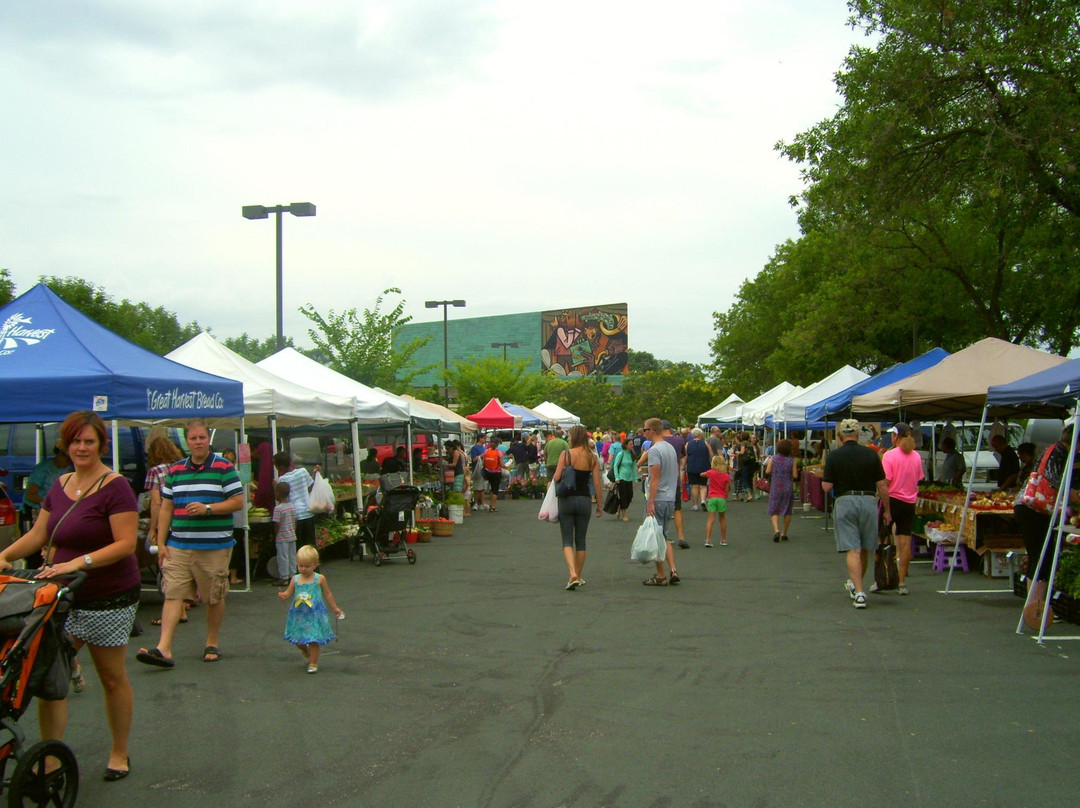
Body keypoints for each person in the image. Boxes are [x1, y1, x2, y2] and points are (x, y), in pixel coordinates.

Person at [0, 410, 139, 781]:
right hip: (59, 595)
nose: (81, 447)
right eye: (75, 440)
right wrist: (6, 555)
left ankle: (119, 752)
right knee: (50, 674)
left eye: (89, 441)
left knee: (111, 677)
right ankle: (50, 757)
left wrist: (75, 563)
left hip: (108, 594)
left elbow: (126, 543)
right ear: (66, 443)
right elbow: (39, 535)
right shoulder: (60, 484)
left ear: (100, 445)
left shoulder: (115, 486)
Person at [137, 418, 244, 667]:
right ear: (186, 441)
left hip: (213, 546)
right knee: (173, 593)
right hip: (179, 545)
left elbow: (237, 502)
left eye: (202, 438)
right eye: (193, 438)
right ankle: (164, 649)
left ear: (209, 439)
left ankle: (212, 642)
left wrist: (208, 508)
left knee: (213, 597)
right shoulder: (175, 470)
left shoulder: (224, 467)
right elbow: (165, 508)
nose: (198, 442)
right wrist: (161, 542)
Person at [821, 418, 890, 610]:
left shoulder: (834, 456)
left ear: (842, 436)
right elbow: (882, 484)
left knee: (853, 548)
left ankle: (859, 592)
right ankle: (857, 584)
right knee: (866, 546)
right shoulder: (871, 454)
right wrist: (887, 510)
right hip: (868, 501)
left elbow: (827, 486)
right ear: (858, 435)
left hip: (845, 501)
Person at [1014, 425, 1080, 601]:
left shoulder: (1058, 451)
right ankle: (1037, 605)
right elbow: (1056, 481)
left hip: (1032, 508)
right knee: (1042, 556)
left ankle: (1036, 605)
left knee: (1042, 555)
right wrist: (1075, 495)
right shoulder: (1057, 452)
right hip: (1033, 508)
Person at [144, 436, 190, 627]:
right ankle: (180, 608)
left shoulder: (155, 471)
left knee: (166, 568)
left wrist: (154, 528)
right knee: (179, 567)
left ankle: (171, 611)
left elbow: (156, 503)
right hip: (185, 521)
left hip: (168, 523)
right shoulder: (181, 468)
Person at [278, 545, 344, 674]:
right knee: (298, 639)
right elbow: (289, 592)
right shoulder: (295, 579)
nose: (303, 569)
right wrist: (284, 595)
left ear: (315, 565)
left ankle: (313, 662)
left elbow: (328, 593)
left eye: (307, 566)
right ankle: (304, 650)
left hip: (314, 614)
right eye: (300, 566)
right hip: (299, 614)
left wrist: (335, 608)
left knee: (313, 639)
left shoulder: (319, 578)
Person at [552, 425, 603, 589]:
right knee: (581, 540)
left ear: (573, 437)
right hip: (584, 500)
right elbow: (596, 483)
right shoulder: (592, 457)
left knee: (567, 539)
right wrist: (600, 504)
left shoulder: (566, 454)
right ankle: (578, 576)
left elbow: (557, 476)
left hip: (567, 499)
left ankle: (572, 573)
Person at [877, 422, 923, 595]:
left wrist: (879, 496)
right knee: (905, 541)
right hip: (909, 502)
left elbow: (886, 482)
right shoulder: (916, 456)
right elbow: (918, 478)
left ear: (895, 436)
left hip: (892, 500)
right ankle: (902, 581)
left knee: (883, 539)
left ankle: (883, 577)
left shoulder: (889, 456)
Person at [642, 418, 681, 586]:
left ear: (652, 430)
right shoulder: (670, 448)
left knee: (655, 536)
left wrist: (650, 500)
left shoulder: (655, 450)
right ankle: (673, 569)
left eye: (645, 430)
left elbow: (655, 478)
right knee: (664, 535)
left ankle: (660, 575)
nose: (643, 433)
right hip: (670, 497)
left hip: (658, 497)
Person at [21, 443, 72, 542]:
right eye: (67, 458)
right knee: (32, 543)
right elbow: (30, 495)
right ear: (59, 455)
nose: (69, 462)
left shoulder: (67, 469)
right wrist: (48, 503)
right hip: (32, 511)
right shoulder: (43, 469)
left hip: (51, 512)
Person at [273, 452, 317, 550]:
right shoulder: (303, 471)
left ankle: (300, 565)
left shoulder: (282, 479)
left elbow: (279, 498)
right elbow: (310, 487)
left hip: (294, 517)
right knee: (310, 545)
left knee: (298, 547)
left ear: (280, 467)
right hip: (308, 512)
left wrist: (275, 486)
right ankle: (313, 564)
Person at [660, 420, 689, 548]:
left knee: (660, 509)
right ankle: (681, 537)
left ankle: (663, 536)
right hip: (674, 479)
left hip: (660, 479)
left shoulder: (658, 441)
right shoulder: (679, 440)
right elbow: (683, 454)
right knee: (677, 509)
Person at [764, 439, 800, 542]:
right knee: (787, 510)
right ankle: (784, 533)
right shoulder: (792, 460)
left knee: (774, 508)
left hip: (776, 486)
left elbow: (768, 471)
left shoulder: (773, 458)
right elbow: (795, 475)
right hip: (787, 486)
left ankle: (776, 530)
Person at [272, 481, 298, 586]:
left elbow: (276, 524)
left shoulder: (278, 508)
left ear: (278, 493)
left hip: (282, 537)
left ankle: (284, 577)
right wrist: (293, 530)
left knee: (283, 557)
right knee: (292, 556)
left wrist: (275, 535)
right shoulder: (292, 506)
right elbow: (295, 520)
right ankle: (293, 575)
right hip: (292, 535)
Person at [702, 454, 730, 547]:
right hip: (721, 497)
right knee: (722, 518)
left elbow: (702, 474)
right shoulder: (726, 476)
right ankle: (723, 539)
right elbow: (726, 489)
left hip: (712, 497)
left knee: (710, 519)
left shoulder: (711, 473)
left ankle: (708, 539)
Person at [611, 437, 638, 522]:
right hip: (621, 478)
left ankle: (620, 507)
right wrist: (617, 477)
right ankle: (624, 514)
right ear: (626, 445)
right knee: (623, 496)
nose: (632, 445)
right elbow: (615, 466)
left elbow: (634, 467)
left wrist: (636, 479)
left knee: (630, 496)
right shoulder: (621, 454)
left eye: (632, 444)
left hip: (629, 478)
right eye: (630, 444)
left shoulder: (632, 455)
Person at [685, 427, 711, 510]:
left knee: (694, 486)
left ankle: (695, 504)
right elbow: (711, 454)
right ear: (700, 435)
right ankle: (703, 500)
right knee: (703, 485)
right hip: (704, 466)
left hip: (692, 467)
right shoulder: (706, 443)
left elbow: (685, 456)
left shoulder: (688, 444)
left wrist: (683, 466)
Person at [481, 437, 505, 512]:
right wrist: (505, 466)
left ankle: (491, 504)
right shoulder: (499, 452)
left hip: (488, 472)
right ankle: (493, 506)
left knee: (491, 487)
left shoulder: (486, 451)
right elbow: (501, 464)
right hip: (496, 472)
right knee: (495, 489)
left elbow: (483, 462)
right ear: (498, 444)